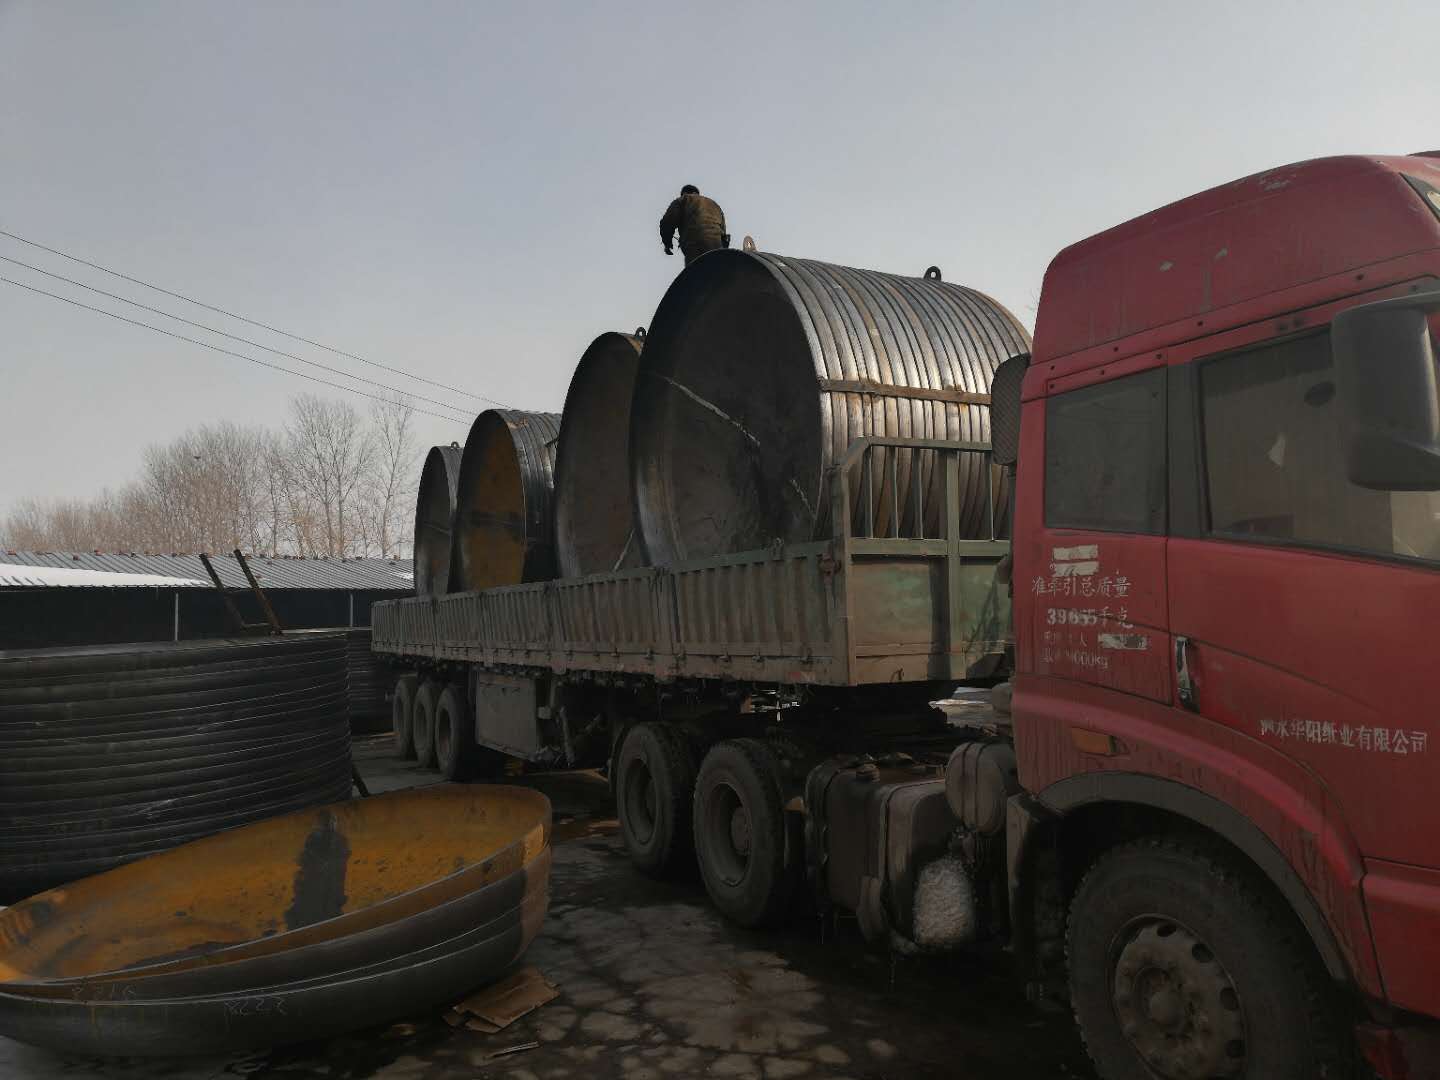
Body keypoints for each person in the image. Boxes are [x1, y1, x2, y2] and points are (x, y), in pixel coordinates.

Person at [659, 185, 729, 265]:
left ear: (684, 193)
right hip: (716, 245)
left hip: (694, 244)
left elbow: (667, 222)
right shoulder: (714, 204)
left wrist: (667, 243)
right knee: (716, 268)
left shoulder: (683, 199)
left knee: (695, 270)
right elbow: (723, 232)